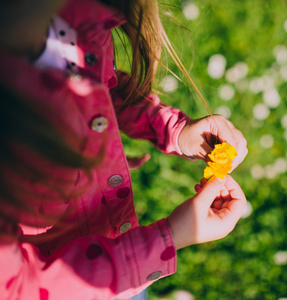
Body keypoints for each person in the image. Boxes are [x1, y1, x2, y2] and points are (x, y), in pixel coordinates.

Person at [0, 0, 248, 299]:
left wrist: (174, 129)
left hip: (122, 252)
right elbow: (18, 288)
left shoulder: (75, 17)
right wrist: (169, 238)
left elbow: (103, 88)